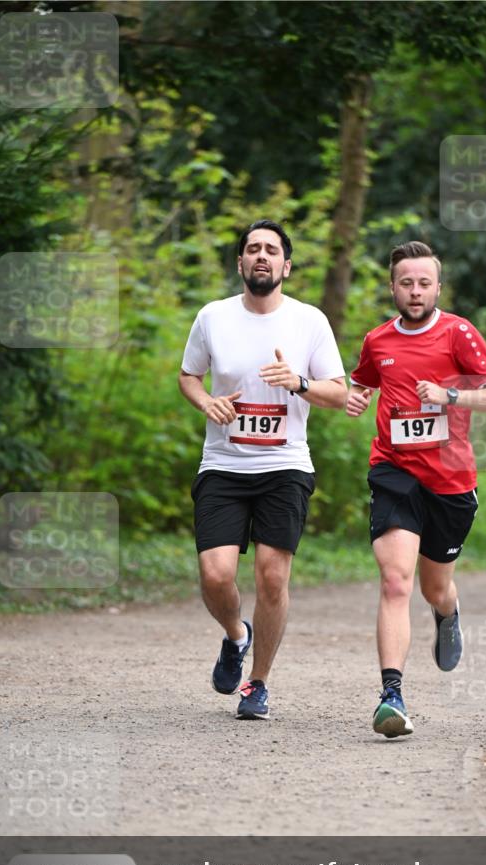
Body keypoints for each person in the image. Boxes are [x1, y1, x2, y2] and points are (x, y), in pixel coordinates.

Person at [179, 220, 347, 721]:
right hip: (225, 465)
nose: (261, 256)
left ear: (286, 266)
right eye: (252, 249)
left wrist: (298, 382)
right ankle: (236, 636)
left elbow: (338, 392)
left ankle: (258, 684)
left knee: (272, 578)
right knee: (215, 574)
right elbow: (189, 376)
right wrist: (207, 401)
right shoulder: (212, 317)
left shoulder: (309, 322)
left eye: (271, 250)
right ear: (240, 263)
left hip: (285, 465)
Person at [346, 240, 486, 739]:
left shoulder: (459, 332)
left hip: (451, 480)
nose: (414, 292)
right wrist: (357, 397)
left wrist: (449, 394)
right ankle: (390, 695)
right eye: (405, 283)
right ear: (392, 287)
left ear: (438, 287)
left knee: (432, 587)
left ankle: (447, 612)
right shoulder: (378, 340)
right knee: (395, 580)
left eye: (424, 283)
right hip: (394, 472)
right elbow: (364, 381)